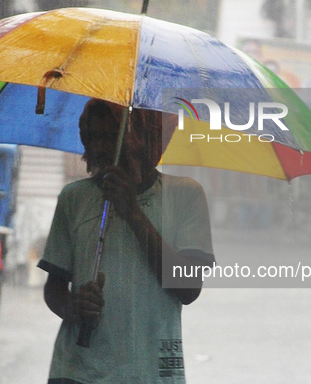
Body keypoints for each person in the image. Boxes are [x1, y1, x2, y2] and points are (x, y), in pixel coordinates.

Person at [37, 99, 215, 383]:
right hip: (78, 372)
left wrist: (131, 212)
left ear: (141, 140)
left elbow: (189, 288)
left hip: (151, 373)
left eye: (112, 137)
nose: (101, 148)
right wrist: (74, 308)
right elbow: (54, 289)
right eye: (93, 137)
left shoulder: (185, 195)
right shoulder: (74, 198)